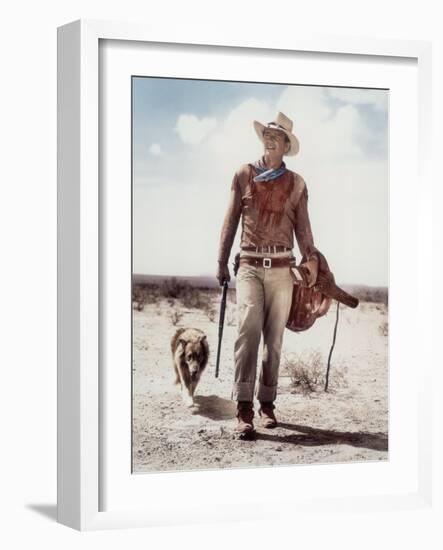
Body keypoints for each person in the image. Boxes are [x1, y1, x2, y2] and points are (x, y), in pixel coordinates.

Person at [216, 111, 319, 439]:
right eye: (268, 133)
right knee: (248, 334)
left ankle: (267, 403)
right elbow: (231, 219)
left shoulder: (296, 183)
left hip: (282, 270)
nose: (271, 137)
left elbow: (303, 230)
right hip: (248, 266)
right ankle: (244, 407)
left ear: (287, 146)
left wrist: (312, 260)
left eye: (278, 135)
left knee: (273, 340)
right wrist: (220, 261)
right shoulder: (243, 174)